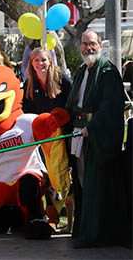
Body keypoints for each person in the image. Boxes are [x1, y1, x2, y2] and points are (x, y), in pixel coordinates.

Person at [65, 30, 132, 248]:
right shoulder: (81, 71)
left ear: (100, 46)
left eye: (92, 44)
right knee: (83, 184)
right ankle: (84, 230)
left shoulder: (107, 72)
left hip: (95, 137)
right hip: (79, 136)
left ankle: (95, 235)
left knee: (96, 186)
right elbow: (73, 103)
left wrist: (92, 128)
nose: (88, 48)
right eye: (84, 44)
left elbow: (110, 107)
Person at [22, 47, 73, 233]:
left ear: (50, 61)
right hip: (43, 140)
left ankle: (70, 222)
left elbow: (72, 105)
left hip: (63, 137)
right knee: (48, 179)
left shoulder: (62, 80)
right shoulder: (29, 84)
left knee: (66, 177)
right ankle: (53, 218)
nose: (40, 64)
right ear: (31, 64)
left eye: (43, 60)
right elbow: (26, 113)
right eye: (36, 61)